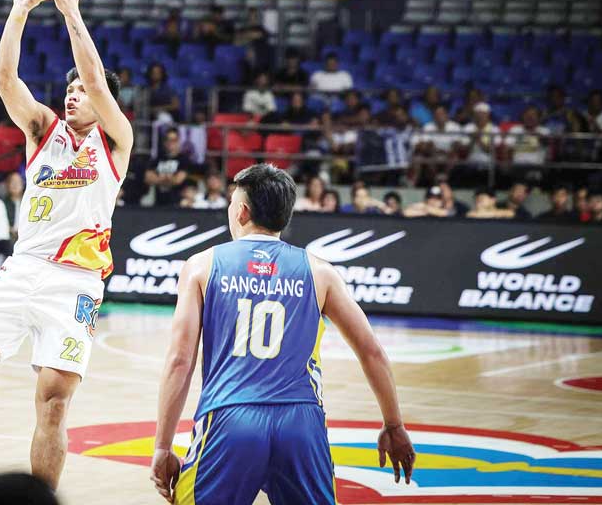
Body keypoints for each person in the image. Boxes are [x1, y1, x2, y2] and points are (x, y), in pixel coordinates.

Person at [0, 0, 133, 499]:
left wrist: (71, 11)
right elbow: (5, 79)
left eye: (82, 91)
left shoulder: (117, 140)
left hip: (76, 281)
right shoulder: (43, 130)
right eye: (68, 89)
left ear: (105, 102)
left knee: (53, 398)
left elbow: (96, 80)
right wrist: (21, 8)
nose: (73, 95)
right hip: (23, 266)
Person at [150, 164, 414, 505]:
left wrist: (162, 446)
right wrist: (393, 424)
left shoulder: (202, 265)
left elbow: (179, 361)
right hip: (301, 424)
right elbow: (372, 351)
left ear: (242, 212)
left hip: (230, 417)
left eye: (232, 203)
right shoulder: (320, 272)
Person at [144, 128, 193, 207]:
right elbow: (148, 178)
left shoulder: (184, 159)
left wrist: (159, 178)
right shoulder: (158, 158)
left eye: (174, 140)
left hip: (177, 203)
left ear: (178, 141)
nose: (170, 143)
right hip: (158, 202)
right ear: (164, 142)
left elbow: (178, 180)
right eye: (168, 139)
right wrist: (168, 178)